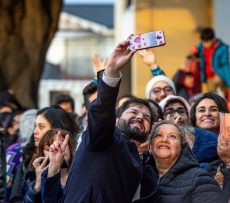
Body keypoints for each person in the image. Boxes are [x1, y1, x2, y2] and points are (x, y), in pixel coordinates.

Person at [40, 38, 158, 203]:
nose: (139, 117)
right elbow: (102, 112)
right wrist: (111, 72)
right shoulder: (105, 138)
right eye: (133, 112)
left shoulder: (146, 167)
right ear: (116, 119)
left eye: (146, 118)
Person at [146, 120, 222, 202]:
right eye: (159, 135)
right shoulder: (141, 177)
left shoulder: (200, 179)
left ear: (182, 148)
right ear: (150, 147)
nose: (164, 140)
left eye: (172, 136)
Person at [158, 95, 218, 168]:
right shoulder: (157, 143)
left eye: (181, 111)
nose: (178, 116)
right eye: (170, 112)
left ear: (188, 115)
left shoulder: (208, 138)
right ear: (161, 119)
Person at [24, 129, 76, 203]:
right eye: (49, 149)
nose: (56, 151)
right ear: (42, 154)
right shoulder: (34, 177)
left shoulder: (80, 174)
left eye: (59, 145)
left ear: (70, 147)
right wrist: (38, 181)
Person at [191, 27, 230, 97]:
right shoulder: (201, 47)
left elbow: (226, 66)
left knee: (218, 81)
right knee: (211, 95)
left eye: (207, 42)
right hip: (208, 78)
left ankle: (226, 94)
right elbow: (197, 49)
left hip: (219, 75)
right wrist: (195, 50)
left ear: (213, 39)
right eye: (204, 42)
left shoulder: (222, 49)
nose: (206, 44)